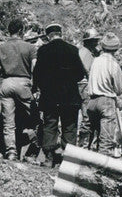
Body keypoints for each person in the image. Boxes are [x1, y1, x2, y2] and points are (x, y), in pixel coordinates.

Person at [0, 18, 37, 159]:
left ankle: (11, 152)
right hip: (23, 83)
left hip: (6, 84)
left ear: (9, 31)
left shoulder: (0, 47)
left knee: (8, 122)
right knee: (37, 117)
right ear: (21, 31)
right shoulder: (30, 47)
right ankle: (35, 149)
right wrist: (34, 86)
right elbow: (35, 68)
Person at [32, 23, 86, 166]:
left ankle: (49, 159)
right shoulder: (73, 50)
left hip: (50, 96)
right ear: (60, 34)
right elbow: (81, 74)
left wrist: (40, 87)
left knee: (50, 125)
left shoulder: (43, 50)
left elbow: (37, 74)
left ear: (49, 35)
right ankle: (68, 161)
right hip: (70, 96)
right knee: (70, 126)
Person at [85, 32, 122, 155]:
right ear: (116, 49)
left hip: (92, 102)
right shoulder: (113, 65)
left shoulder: (95, 61)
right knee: (106, 142)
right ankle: (101, 170)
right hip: (106, 102)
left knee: (93, 137)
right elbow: (119, 89)